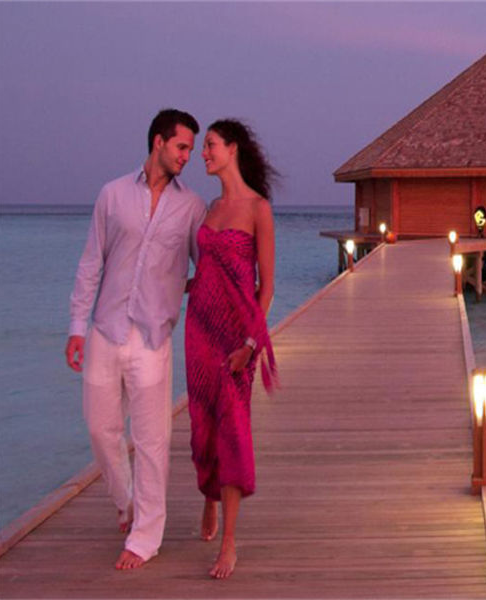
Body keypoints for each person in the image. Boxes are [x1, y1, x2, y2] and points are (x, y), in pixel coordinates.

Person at [65, 109, 206, 570]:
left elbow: (204, 263)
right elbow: (92, 262)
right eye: (182, 146)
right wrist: (76, 326)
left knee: (151, 441)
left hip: (152, 338)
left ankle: (145, 537)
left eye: (191, 149)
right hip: (105, 330)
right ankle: (125, 501)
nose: (187, 156)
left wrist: (189, 289)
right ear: (158, 142)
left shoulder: (191, 207)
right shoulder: (112, 194)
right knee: (100, 429)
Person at [186, 119, 278, 579]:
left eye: (210, 146)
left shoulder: (258, 208)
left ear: (233, 149)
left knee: (233, 430)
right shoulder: (210, 208)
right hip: (198, 330)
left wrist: (250, 344)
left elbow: (267, 288)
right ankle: (210, 496)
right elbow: (207, 270)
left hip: (237, 337)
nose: (203, 154)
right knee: (202, 426)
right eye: (203, 147)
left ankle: (229, 541)